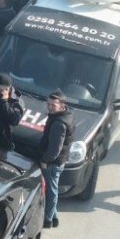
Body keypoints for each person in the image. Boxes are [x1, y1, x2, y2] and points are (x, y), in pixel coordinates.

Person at [38, 91, 75, 229]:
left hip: (53, 163)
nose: (49, 107)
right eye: (48, 104)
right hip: (59, 160)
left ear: (62, 105)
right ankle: (54, 218)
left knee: (51, 191)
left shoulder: (59, 123)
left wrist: (45, 160)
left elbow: (55, 149)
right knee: (52, 189)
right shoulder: (67, 115)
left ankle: (47, 220)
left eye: (53, 105)